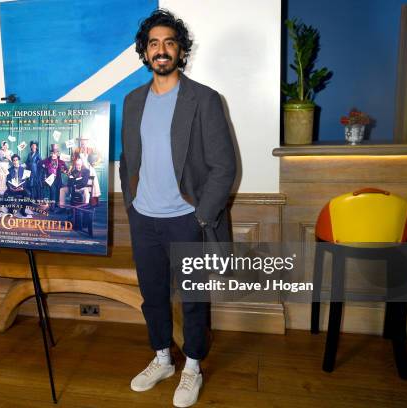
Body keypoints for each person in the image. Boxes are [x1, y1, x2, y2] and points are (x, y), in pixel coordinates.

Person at [119, 9, 236, 408]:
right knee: (152, 295)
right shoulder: (133, 101)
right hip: (144, 219)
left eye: (169, 42)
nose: (161, 50)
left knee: (193, 298)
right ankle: (163, 359)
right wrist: (132, 205)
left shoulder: (203, 99)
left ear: (181, 50)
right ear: (145, 52)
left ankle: (193, 367)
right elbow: (127, 160)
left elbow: (224, 167)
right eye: (153, 43)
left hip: (188, 219)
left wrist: (202, 215)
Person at [41, 147, 68, 211]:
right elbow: (40, 163)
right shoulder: (48, 160)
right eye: (52, 153)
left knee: (57, 190)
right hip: (49, 178)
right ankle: (52, 206)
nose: (53, 155)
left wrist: (64, 170)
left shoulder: (60, 161)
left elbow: (65, 169)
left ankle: (55, 204)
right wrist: (44, 166)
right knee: (52, 190)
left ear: (57, 154)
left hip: (57, 178)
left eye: (54, 154)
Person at [6, 154, 31, 218]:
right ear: (12, 161)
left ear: (19, 161)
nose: (15, 162)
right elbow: (7, 181)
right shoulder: (9, 170)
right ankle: (10, 210)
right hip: (12, 189)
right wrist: (10, 187)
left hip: (21, 188)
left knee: (27, 194)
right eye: (14, 160)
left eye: (16, 160)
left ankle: (23, 210)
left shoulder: (23, 169)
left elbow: (25, 181)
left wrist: (22, 187)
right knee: (6, 194)